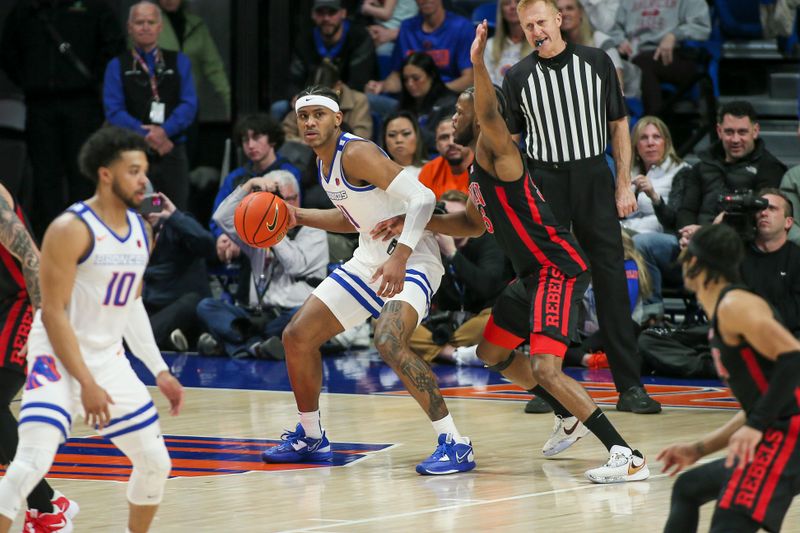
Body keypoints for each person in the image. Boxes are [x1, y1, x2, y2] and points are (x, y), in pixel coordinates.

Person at [375, 21, 650, 482]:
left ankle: (626, 454)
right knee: (490, 350)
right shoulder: (476, 175)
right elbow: (470, 223)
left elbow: (486, 112)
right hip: (530, 275)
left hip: (556, 268)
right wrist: (412, 221)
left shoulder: (495, 148)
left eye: (460, 113)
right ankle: (567, 416)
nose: (452, 123)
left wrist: (478, 62)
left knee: (545, 367)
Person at [258, 85, 476, 476]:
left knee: (388, 340)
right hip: (370, 258)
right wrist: (298, 215)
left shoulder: (355, 152)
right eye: (303, 116)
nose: (310, 122)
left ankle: (456, 443)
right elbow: (354, 219)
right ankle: (311, 437)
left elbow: (424, 198)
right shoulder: (324, 164)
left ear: (337, 119)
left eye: (318, 115)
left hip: (414, 258)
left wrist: (401, 256)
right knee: (297, 336)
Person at [0, 126, 184, 533]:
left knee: (156, 463)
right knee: (28, 465)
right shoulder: (69, 229)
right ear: (106, 174)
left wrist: (159, 370)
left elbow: (131, 304)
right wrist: (84, 381)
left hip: (108, 361)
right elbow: (52, 314)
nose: (143, 180)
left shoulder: (142, 231)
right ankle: (43, 512)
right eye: (133, 171)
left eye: (144, 171)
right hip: (57, 356)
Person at [502, 0, 660, 413]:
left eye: (542, 21)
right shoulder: (517, 77)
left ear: (560, 20)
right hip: (543, 180)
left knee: (609, 276)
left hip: (592, 174)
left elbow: (619, 125)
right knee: (546, 279)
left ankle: (630, 386)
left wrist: (623, 183)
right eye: (528, 25)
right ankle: (548, 382)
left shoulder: (596, 62)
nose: (537, 29)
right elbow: (514, 145)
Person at [658, 223, 800, 533]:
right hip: (779, 428)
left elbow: (795, 357)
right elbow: (761, 403)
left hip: (789, 436)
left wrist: (755, 426)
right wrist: (698, 449)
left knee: (728, 522)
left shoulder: (736, 306)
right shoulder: (724, 309)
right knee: (689, 487)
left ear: (695, 262)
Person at [634, 101, 788, 318]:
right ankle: (652, 318)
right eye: (729, 132)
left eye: (742, 132)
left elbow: (761, 212)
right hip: (689, 248)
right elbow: (686, 209)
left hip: (737, 249)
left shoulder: (769, 168)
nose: (735, 139)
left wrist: (706, 234)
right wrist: (686, 231)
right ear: (718, 131)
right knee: (643, 244)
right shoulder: (701, 166)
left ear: (755, 131)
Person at [0, 0, 125, 236]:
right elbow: (8, 51)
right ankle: (50, 241)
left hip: (82, 102)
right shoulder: (27, 9)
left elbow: (113, 47)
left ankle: (87, 239)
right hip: (40, 104)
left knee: (84, 175)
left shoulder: (94, 7)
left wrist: (92, 81)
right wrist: (29, 79)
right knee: (45, 178)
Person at [0, 183, 77, 530]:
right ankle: (48, 499)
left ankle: (46, 512)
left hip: (24, 301)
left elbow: (32, 258)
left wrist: (45, 327)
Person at [197, 170, 328, 359]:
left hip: (290, 313)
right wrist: (249, 186)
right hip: (256, 315)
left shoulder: (313, 231)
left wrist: (272, 227)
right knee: (206, 306)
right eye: (279, 201)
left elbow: (294, 265)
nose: (286, 206)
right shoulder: (257, 233)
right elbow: (221, 218)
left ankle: (233, 344)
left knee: (304, 318)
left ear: (298, 198)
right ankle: (257, 346)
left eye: (290, 199)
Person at [103, 1, 198, 210]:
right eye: (139, 22)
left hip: (171, 150)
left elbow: (189, 104)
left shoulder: (179, 61)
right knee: (142, 214)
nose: (145, 27)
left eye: (150, 22)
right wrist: (147, 135)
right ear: (129, 27)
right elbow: (113, 110)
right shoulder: (117, 65)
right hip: (134, 155)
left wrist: (165, 132)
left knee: (174, 216)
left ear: (159, 27)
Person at [409, 190, 508, 364]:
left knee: (497, 319)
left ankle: (430, 350)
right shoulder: (430, 244)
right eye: (446, 217)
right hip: (442, 321)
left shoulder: (489, 242)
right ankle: (455, 354)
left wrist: (453, 254)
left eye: (458, 218)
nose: (452, 223)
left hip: (476, 319)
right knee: (386, 319)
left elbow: (488, 286)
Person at [211, 114, 302, 263]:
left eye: (257, 137)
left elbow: (290, 217)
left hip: (278, 246)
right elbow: (218, 215)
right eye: (246, 140)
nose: (251, 145)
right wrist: (223, 236)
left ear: (271, 139)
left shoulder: (289, 173)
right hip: (239, 242)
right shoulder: (235, 177)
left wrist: (241, 239)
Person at [364, 0, 474, 117]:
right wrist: (382, 86)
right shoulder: (407, 27)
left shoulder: (462, 27)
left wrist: (433, 91)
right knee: (366, 100)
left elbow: (469, 79)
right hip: (410, 103)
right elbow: (397, 76)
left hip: (447, 103)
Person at [141, 191, 217, 352]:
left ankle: (153, 339)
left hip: (182, 304)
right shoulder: (133, 231)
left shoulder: (178, 225)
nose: (151, 212)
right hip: (154, 307)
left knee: (192, 301)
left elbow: (208, 246)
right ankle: (169, 339)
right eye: (144, 207)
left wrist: (174, 216)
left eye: (153, 205)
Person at [278, 0, 377, 121]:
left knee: (368, 101)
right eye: (320, 13)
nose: (326, 18)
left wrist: (327, 100)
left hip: (347, 97)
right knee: (278, 108)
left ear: (343, 13)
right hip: (310, 100)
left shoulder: (359, 37)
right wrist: (296, 96)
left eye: (332, 12)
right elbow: (293, 79)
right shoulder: (305, 40)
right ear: (313, 15)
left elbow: (358, 82)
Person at [608, 0, 711, 115]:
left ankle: (652, 121)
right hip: (633, 55)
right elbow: (615, 29)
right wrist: (620, 41)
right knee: (609, 67)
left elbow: (701, 27)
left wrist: (674, 35)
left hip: (675, 55)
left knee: (643, 64)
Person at [157, 0, 231, 119]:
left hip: (189, 103)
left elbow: (214, 67)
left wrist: (229, 101)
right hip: (158, 102)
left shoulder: (196, 26)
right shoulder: (147, 26)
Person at [558, 0, 640, 99]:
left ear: (581, 13)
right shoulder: (557, 47)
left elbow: (617, 83)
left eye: (569, 8)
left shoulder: (599, 39)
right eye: (559, 10)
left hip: (629, 95)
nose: (564, 14)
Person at [622, 116, 690, 235]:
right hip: (626, 230)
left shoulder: (682, 171)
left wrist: (653, 196)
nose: (650, 143)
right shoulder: (628, 173)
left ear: (666, 142)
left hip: (658, 234)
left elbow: (674, 220)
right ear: (635, 145)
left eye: (656, 137)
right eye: (643, 138)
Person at [282, 58, 373, 142]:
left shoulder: (359, 101)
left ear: (338, 86)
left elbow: (361, 138)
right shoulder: (306, 99)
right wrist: (305, 143)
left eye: (323, 94)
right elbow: (286, 132)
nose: (318, 98)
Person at [397, 52, 458, 153]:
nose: (410, 84)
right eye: (405, 79)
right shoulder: (403, 104)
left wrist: (411, 129)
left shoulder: (450, 103)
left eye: (416, 78)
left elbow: (446, 139)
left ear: (431, 76)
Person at [417, 118, 473, 199]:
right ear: (437, 145)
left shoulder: (484, 167)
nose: (451, 142)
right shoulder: (429, 170)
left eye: (457, 135)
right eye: (444, 137)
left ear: (470, 140)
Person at [484, 0, 534, 86]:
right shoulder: (490, 45)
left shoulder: (538, 44)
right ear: (501, 12)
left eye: (518, 2)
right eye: (507, 3)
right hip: (498, 97)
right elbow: (487, 84)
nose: (513, 7)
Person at [382, 110, 427, 176]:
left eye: (406, 133)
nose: (399, 140)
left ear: (417, 136)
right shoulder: (377, 172)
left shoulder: (432, 169)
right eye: (392, 135)